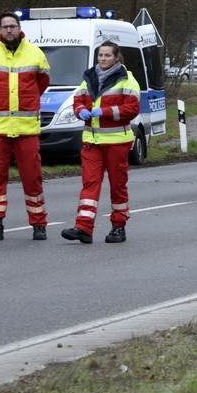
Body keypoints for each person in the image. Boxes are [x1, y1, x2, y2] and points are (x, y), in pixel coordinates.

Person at [0, 11, 51, 241]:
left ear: (19, 28)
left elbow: (42, 83)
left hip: (26, 129)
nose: (9, 30)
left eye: (12, 26)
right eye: (5, 26)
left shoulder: (35, 53)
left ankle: (38, 223)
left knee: (32, 177)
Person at [61, 42, 140, 244]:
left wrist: (104, 111)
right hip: (92, 141)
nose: (103, 59)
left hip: (117, 142)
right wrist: (80, 111)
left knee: (117, 186)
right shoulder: (89, 78)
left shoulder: (127, 80)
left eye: (107, 55)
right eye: (100, 55)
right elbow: (77, 101)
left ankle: (118, 227)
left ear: (116, 57)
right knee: (90, 184)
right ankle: (84, 227)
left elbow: (132, 109)